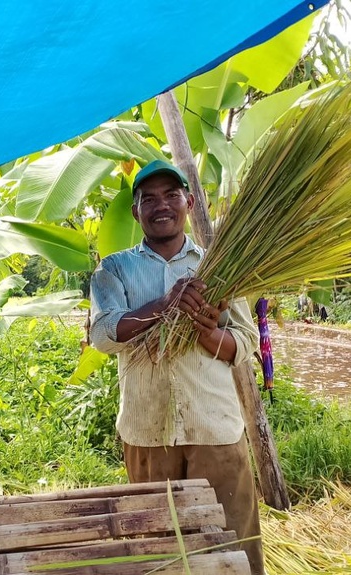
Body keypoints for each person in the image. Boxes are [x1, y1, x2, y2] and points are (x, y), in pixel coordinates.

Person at [88, 159, 264, 574]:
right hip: (148, 432)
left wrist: (207, 334)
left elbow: (245, 342)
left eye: (171, 195)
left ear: (187, 201)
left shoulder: (219, 265)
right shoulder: (114, 269)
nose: (160, 205)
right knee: (157, 549)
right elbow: (102, 334)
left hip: (214, 428)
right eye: (148, 199)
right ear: (136, 212)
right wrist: (163, 305)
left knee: (232, 548)